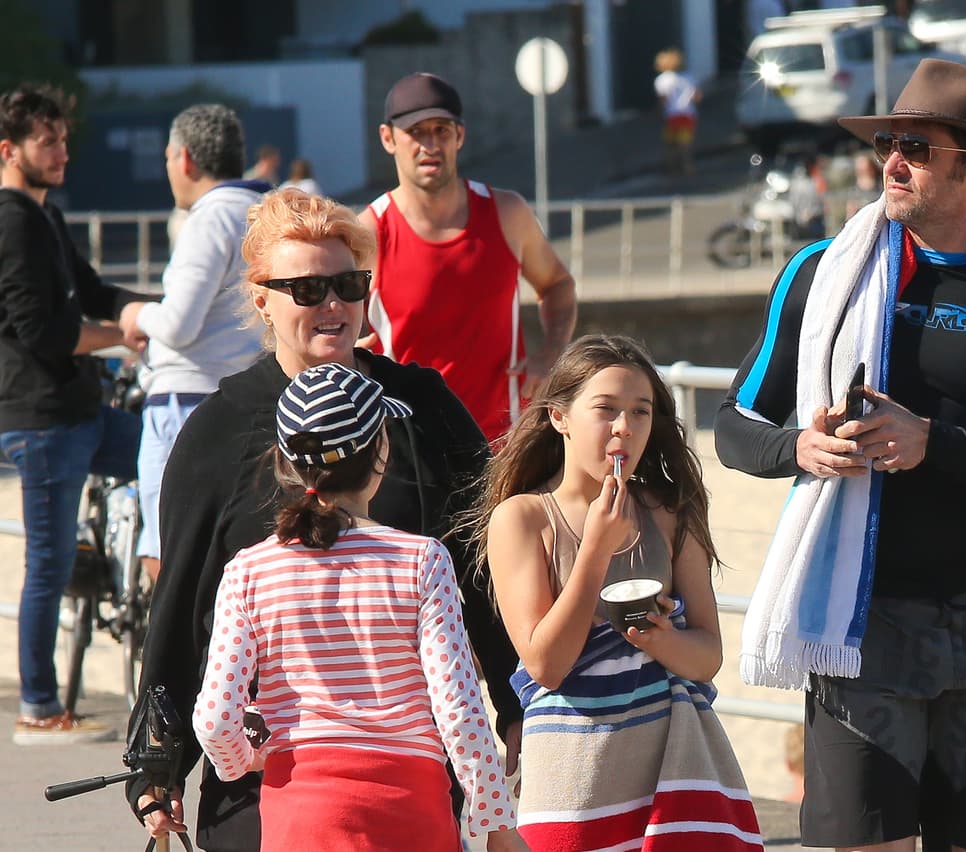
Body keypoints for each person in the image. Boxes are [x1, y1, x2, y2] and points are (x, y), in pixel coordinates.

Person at [714, 59, 966, 852]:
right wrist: (799, 445)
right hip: (861, 626)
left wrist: (932, 443)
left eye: (918, 149)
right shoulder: (818, 275)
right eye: (889, 142)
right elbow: (732, 425)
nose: (891, 162)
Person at [128, 189, 524, 851]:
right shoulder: (216, 433)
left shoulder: (422, 407)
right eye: (309, 288)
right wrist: (157, 764)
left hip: (406, 774)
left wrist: (516, 702)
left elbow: (485, 570)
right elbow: (180, 607)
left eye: (348, 283)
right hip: (264, 780)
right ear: (262, 299)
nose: (334, 304)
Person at [193, 362, 524, 851]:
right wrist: (495, 823)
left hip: (300, 812)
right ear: (382, 452)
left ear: (283, 462)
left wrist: (242, 760)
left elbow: (215, 718)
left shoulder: (249, 571)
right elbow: (458, 709)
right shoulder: (422, 560)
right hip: (411, 809)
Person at [478, 334, 764, 851]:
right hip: (571, 769)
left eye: (641, 412)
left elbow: (707, 657)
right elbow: (546, 665)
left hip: (670, 765)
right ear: (559, 416)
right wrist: (594, 550)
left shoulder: (670, 512)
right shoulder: (522, 519)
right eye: (605, 409)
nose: (624, 428)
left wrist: (656, 638)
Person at [0, 83, 153, 744]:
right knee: (48, 565)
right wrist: (123, 334)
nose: (62, 150)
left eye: (64, 138)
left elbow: (93, 289)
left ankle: (131, 572)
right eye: (47, 140)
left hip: (81, 412)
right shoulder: (10, 220)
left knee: (168, 456)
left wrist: (158, 310)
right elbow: (45, 332)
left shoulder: (46, 215)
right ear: (9, 150)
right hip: (42, 420)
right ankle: (38, 706)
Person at [358, 72, 578, 444]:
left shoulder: (507, 213)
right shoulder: (369, 232)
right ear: (388, 138)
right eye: (416, 132)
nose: (430, 144)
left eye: (441, 130)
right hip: (411, 450)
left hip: (502, 445)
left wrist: (550, 353)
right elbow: (332, 323)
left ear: (459, 136)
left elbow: (558, 285)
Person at [117, 104, 268, 583]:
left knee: (168, 551)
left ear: (185, 159)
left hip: (186, 400)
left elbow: (180, 323)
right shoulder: (267, 212)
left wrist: (136, 313)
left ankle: (175, 656)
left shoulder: (212, 217)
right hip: (253, 399)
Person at [653, 47, 702, 178]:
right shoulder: (688, 77)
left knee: (671, 143)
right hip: (687, 114)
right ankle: (688, 166)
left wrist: (659, 112)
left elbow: (663, 100)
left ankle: (672, 168)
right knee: (686, 143)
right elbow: (697, 96)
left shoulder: (661, 80)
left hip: (672, 115)